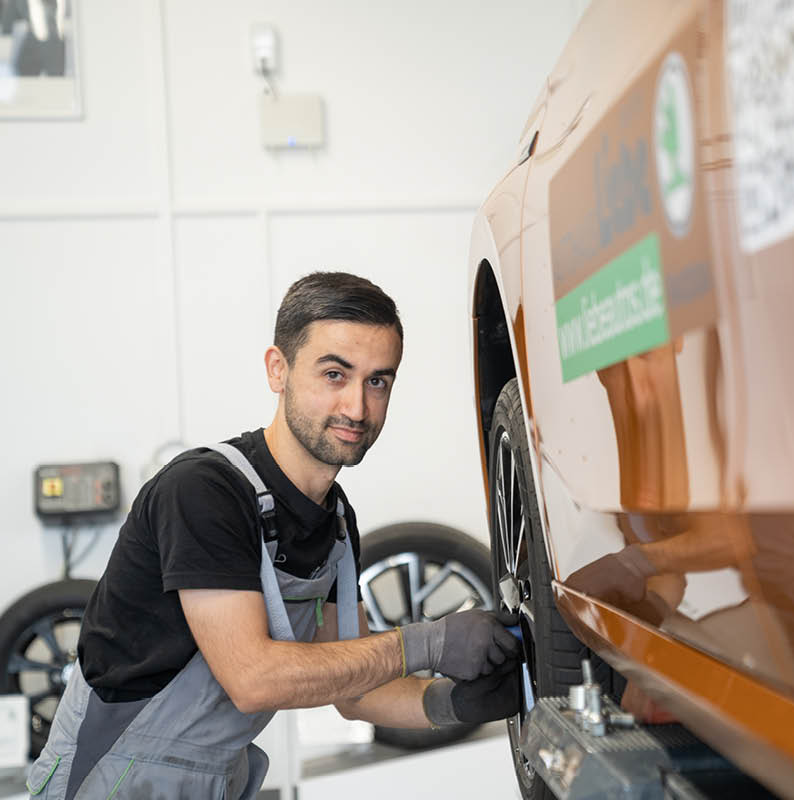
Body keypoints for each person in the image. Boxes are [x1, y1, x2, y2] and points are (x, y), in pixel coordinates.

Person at [26, 272, 520, 798]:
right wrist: (430, 642)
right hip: (109, 782)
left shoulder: (335, 523)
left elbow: (353, 691)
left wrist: (453, 704)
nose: (356, 407)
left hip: (211, 784)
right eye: (335, 374)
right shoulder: (204, 491)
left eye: (378, 381)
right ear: (277, 369)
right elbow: (253, 678)